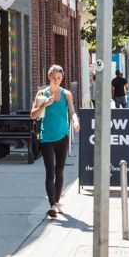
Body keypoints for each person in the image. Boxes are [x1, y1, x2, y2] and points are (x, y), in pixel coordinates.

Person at [30, 65, 79, 218]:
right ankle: (52, 205)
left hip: (62, 137)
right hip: (46, 138)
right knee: (50, 172)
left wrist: (76, 121)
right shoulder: (42, 94)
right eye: (54, 78)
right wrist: (45, 104)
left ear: (61, 78)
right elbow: (33, 115)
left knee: (60, 171)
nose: (56, 80)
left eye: (59, 78)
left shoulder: (67, 94)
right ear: (49, 77)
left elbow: (72, 111)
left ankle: (57, 202)